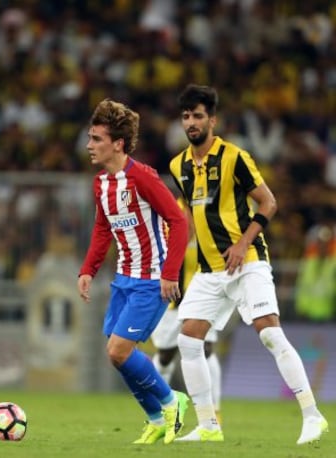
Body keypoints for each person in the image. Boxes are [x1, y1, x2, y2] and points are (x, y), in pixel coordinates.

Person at [169, 84, 328, 444]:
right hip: (210, 270)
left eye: (197, 115)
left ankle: (312, 415)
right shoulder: (178, 166)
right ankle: (208, 426)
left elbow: (268, 203)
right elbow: (193, 218)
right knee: (189, 340)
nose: (191, 122)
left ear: (213, 119)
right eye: (185, 116)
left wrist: (242, 243)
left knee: (270, 333)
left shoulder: (234, 157)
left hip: (247, 261)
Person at [77, 99, 189, 445]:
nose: (89, 145)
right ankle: (156, 419)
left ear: (118, 144)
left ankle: (173, 402)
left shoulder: (143, 178)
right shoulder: (101, 184)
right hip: (123, 278)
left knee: (117, 351)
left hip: (152, 279)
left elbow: (178, 221)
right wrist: (88, 270)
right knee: (117, 355)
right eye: (90, 138)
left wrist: (170, 274)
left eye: (96, 139)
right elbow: (102, 229)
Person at [151, 197, 222, 422]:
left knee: (206, 348)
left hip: (202, 296)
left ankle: (214, 412)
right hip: (172, 301)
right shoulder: (172, 209)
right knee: (165, 355)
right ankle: (160, 407)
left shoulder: (213, 209)